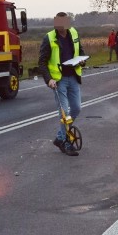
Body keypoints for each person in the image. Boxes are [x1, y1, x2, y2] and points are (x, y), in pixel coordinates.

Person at [38, 12, 84, 157]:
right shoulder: (49, 38)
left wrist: (82, 60)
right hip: (59, 80)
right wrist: (48, 79)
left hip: (73, 76)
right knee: (64, 112)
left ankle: (59, 137)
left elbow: (80, 51)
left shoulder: (74, 33)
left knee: (76, 108)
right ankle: (66, 142)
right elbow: (42, 62)